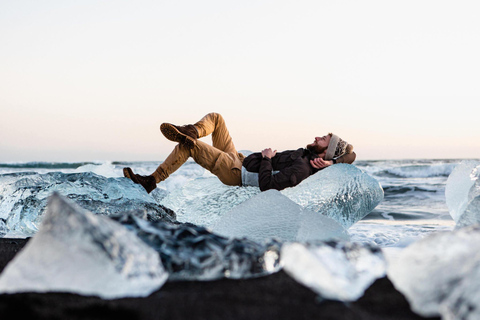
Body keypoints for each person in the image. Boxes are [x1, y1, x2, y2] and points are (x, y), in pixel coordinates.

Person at [123, 112, 356, 193]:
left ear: (326, 150)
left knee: (187, 146)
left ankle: (151, 181)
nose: (317, 137)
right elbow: (352, 154)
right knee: (216, 118)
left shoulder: (303, 168)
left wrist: (266, 158)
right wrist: (335, 163)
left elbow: (268, 185)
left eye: (323, 139)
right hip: (241, 160)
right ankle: (192, 130)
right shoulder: (308, 156)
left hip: (235, 172)